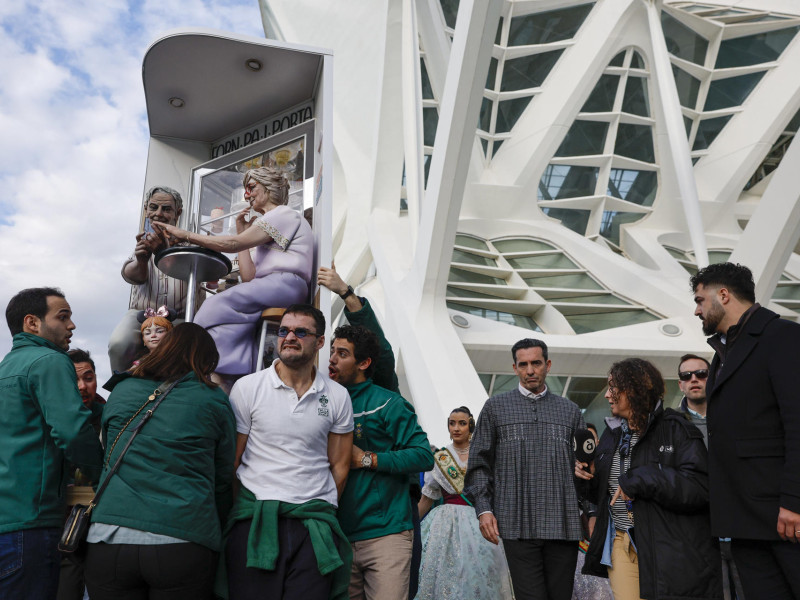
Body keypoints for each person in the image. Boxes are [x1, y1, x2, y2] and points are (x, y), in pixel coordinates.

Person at [84, 323, 236, 600]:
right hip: (183, 538)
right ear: (203, 360)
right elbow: (223, 477)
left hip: (108, 537)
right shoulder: (213, 399)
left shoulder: (121, 390)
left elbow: (108, 452)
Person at [223, 304, 353, 600]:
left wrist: (322, 507)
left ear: (319, 342)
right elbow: (233, 461)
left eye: (301, 332)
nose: (289, 337)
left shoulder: (337, 395)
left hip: (313, 523)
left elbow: (341, 465)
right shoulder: (248, 388)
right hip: (256, 520)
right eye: (284, 330)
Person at [691, 262, 800, 599]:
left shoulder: (783, 336)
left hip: (782, 515)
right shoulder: (724, 351)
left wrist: (794, 501)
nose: (696, 310)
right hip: (742, 518)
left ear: (723, 295)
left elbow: (797, 422)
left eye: (699, 300)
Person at [318, 265, 424, 599]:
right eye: (331, 352)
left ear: (364, 364)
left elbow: (423, 454)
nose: (332, 360)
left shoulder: (386, 400)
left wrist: (368, 459)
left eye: (342, 354)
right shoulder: (321, 402)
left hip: (387, 533)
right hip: (337, 534)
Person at [575, 358, 722, 600]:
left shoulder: (676, 429)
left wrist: (642, 477)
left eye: (613, 388)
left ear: (633, 389)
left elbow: (700, 488)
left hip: (668, 545)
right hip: (621, 543)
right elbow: (605, 494)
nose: (607, 396)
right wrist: (584, 478)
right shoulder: (611, 435)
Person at [155, 166, 314, 376]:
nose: (247, 195)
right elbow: (248, 277)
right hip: (270, 287)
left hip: (286, 284)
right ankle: (226, 370)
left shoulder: (283, 214)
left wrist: (185, 235)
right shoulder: (266, 226)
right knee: (229, 326)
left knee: (213, 304)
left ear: (269, 188)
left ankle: (191, 358)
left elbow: (232, 244)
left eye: (251, 187)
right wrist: (242, 231)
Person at [0, 287, 103, 600]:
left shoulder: (6, 368)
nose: (71, 326)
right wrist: (105, 476)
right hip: (31, 523)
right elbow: (73, 433)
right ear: (33, 323)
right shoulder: (50, 361)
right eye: (63, 317)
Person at [465, 338, 585, 600]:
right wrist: (484, 509)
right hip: (516, 523)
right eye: (523, 364)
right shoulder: (495, 408)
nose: (530, 370)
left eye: (536, 363)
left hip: (562, 525)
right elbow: (478, 464)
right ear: (515, 368)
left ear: (548, 365)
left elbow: (586, 467)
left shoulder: (571, 411)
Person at [415, 407, 514, 600]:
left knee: (481, 574)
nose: (456, 428)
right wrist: (409, 526)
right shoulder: (440, 458)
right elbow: (427, 498)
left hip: (479, 520)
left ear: (471, 426)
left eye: (462, 423)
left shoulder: (483, 456)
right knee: (444, 574)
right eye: (452, 423)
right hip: (444, 526)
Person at [108, 186, 201, 372]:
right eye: (153, 207)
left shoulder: (192, 243)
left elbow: (194, 274)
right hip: (141, 316)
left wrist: (162, 252)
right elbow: (132, 276)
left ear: (178, 213)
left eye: (166, 209)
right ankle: (121, 388)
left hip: (180, 318)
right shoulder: (143, 242)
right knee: (119, 344)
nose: (158, 214)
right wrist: (142, 260)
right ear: (146, 210)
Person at [57, 349, 106, 600]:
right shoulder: (53, 418)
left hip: (103, 520)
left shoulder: (110, 417)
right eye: (74, 380)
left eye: (88, 378)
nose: (82, 387)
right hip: (61, 521)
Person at [677, 353, 710, 446]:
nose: (694, 379)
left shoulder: (732, 417)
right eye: (686, 375)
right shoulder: (670, 423)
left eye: (701, 373)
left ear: (713, 379)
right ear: (680, 385)